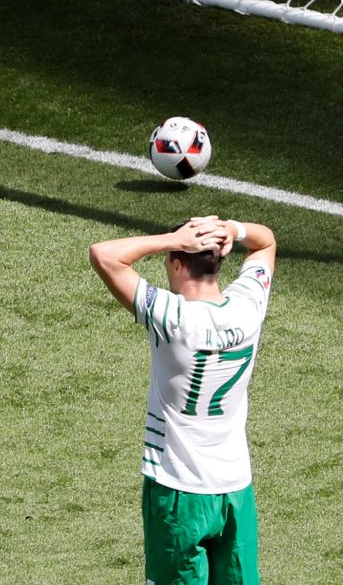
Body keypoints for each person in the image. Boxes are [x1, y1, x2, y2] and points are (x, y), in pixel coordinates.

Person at [89, 216, 276, 585]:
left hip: (178, 492)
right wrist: (233, 230)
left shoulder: (173, 318)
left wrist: (170, 238)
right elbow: (266, 243)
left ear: (177, 261)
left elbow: (104, 254)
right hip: (235, 488)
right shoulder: (248, 307)